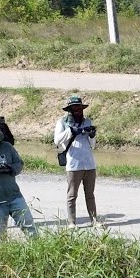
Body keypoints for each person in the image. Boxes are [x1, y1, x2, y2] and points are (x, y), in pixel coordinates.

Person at [53, 95, 99, 226]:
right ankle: (72, 222)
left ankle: (94, 221)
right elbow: (57, 140)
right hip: (73, 164)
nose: (77, 110)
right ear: (70, 109)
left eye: (79, 107)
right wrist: (71, 131)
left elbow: (93, 144)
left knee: (90, 195)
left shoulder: (87, 121)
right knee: (72, 196)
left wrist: (91, 135)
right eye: (74, 107)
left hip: (89, 164)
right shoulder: (62, 122)